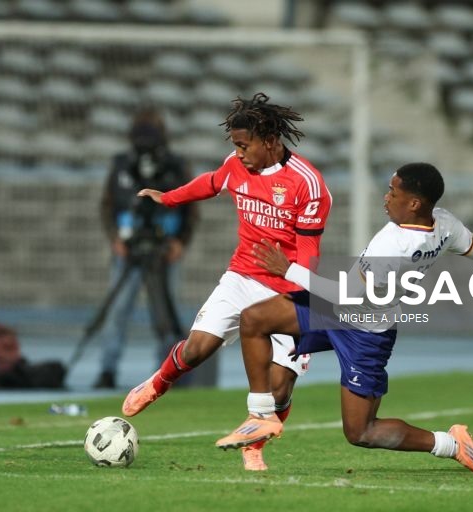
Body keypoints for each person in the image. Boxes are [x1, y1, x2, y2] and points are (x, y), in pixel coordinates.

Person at [216, 163, 473, 479]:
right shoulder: (443, 223)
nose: (385, 198)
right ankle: (261, 414)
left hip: (365, 331)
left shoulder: (394, 247)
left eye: (393, 192)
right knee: (254, 319)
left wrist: (287, 269)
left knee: (362, 432)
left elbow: (345, 296)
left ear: (414, 203)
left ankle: (449, 443)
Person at [122, 92, 332, 471]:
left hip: (288, 288)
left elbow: (308, 261)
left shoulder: (308, 185)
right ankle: (159, 382)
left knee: (280, 387)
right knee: (195, 350)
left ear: (269, 141)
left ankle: (255, 445)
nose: (238, 153)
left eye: (243, 145)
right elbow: (212, 182)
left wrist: (287, 274)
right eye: (234, 146)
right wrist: (169, 199)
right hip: (242, 276)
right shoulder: (236, 167)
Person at [94, 107, 198, 389]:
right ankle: (107, 368)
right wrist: (115, 237)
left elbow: (190, 207)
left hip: (166, 248)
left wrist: (180, 241)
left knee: (167, 310)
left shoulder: (177, 165)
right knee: (118, 310)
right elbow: (108, 204)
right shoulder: (121, 165)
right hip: (128, 249)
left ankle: (169, 371)